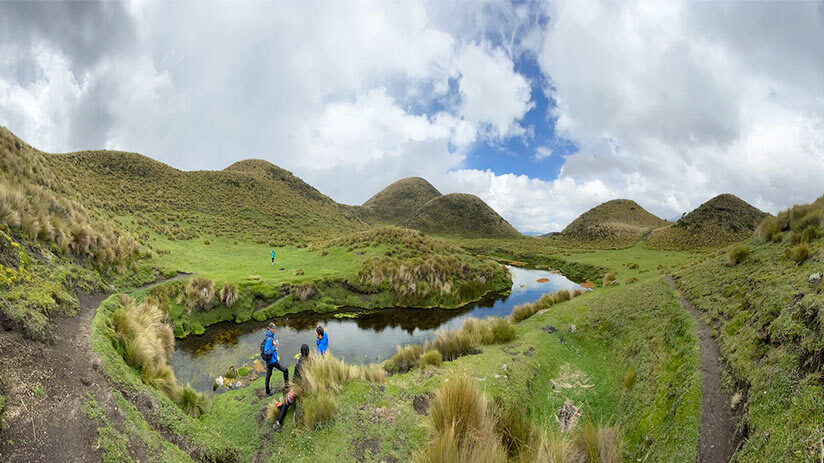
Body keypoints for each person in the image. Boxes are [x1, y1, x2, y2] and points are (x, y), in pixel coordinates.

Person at [273, 344, 310, 432]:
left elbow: (294, 380)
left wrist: (291, 392)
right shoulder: (311, 362)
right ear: (308, 352)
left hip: (300, 389)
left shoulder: (298, 365)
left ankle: (278, 423)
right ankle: (281, 407)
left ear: (301, 353)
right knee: (287, 401)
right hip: (308, 388)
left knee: (287, 401)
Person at [263, 322, 288, 395]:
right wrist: (274, 347)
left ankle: (267, 391)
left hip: (269, 361)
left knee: (268, 375)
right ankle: (287, 386)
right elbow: (266, 352)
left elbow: (271, 346)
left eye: (274, 328)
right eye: (273, 328)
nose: (274, 329)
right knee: (285, 370)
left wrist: (275, 344)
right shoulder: (268, 339)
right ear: (269, 328)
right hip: (272, 360)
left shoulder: (270, 336)